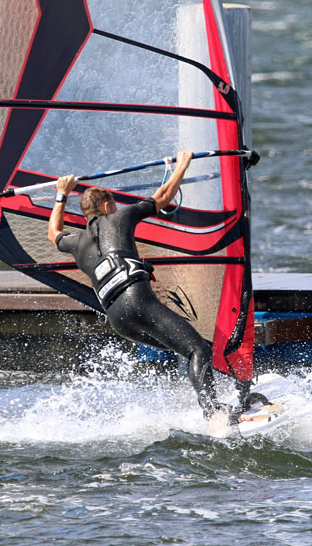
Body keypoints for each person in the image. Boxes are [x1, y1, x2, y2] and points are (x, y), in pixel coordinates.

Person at [48, 151, 249, 430]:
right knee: (198, 348)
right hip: (138, 302)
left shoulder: (76, 242)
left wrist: (61, 195)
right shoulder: (119, 218)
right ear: (107, 206)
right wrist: (182, 166)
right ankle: (212, 413)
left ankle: (217, 405)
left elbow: (53, 232)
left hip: (118, 319)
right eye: (114, 205)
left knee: (187, 349)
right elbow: (164, 196)